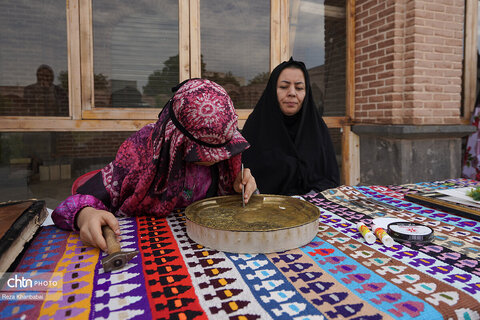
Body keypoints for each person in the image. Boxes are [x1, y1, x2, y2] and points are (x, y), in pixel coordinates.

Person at [52, 78, 257, 252]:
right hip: (147, 250)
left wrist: (243, 187)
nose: (217, 158)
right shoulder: (140, 152)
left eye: (223, 150)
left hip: (207, 248)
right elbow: (74, 203)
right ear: (176, 140)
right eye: (204, 152)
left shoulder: (226, 157)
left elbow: (235, 207)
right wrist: (85, 215)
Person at [241, 58, 339, 195]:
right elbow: (242, 179)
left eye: (299, 88)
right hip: (264, 210)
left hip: (312, 210)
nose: (292, 93)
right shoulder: (256, 126)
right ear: (272, 90)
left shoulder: (317, 128)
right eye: (283, 87)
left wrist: (308, 199)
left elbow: (331, 179)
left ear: (307, 92)